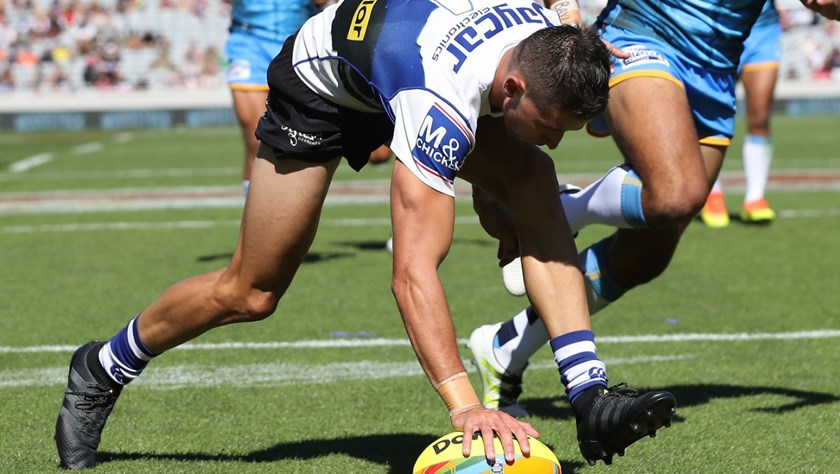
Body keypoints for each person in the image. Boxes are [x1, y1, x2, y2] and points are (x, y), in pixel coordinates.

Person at [53, 0, 676, 469]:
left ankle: (589, 393)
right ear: (513, 87)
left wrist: (574, 28)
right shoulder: (440, 104)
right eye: (550, 124)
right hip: (323, 93)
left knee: (533, 178)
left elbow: (556, 24)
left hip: (410, 64)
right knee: (250, 292)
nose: (557, 139)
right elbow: (412, 274)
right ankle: (103, 367)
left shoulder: (543, 33)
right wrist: (466, 407)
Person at [467, 0, 840, 440]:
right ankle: (559, 212)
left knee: (647, 253)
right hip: (643, 34)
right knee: (675, 194)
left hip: (717, 64)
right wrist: (569, 18)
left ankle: (506, 345)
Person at [224, 0, 319, 195]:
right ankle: (258, 213)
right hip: (249, 42)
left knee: (378, 154)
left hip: (300, 41)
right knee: (259, 139)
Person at [700, 0, 781, 227]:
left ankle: (755, 198)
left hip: (762, 30)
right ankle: (712, 194)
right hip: (717, 29)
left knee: (760, 117)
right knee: (710, 116)